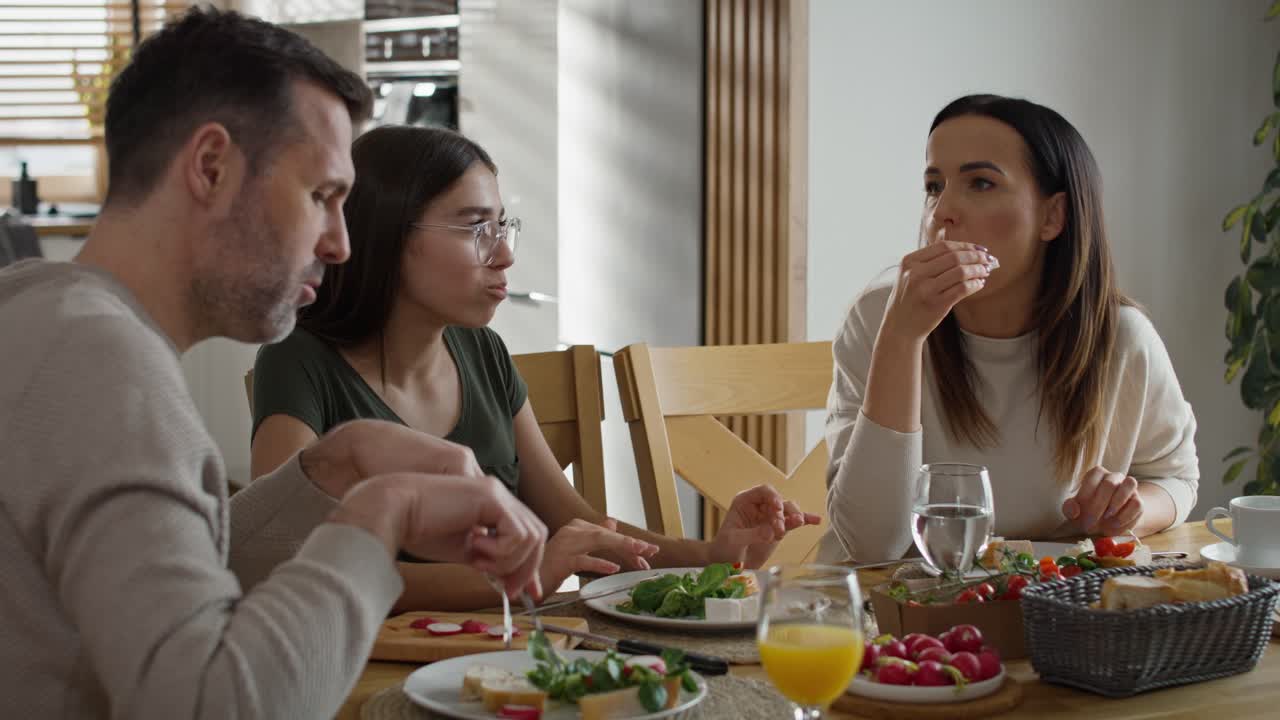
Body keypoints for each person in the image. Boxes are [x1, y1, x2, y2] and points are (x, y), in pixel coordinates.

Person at [0, 9, 547, 718]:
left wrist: (335, 468)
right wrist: (384, 513)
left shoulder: (39, 310)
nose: (341, 244)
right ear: (211, 167)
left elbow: (172, 604)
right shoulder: (105, 366)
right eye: (321, 196)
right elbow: (213, 706)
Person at [250, 124, 822, 611]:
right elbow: (290, 565)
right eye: (477, 228)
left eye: (503, 226)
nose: (504, 253)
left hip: (503, 659)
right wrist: (520, 575)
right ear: (388, 234)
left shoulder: (485, 357)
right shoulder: (298, 362)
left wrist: (711, 558)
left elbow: (574, 522)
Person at [817, 94, 1199, 564]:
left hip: (1050, 612)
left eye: (980, 183)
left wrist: (1129, 511)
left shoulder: (1119, 338)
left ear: (1053, 216)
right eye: (935, 185)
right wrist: (902, 338)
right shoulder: (880, 318)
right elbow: (872, 544)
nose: (942, 212)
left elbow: (1176, 479)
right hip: (889, 617)